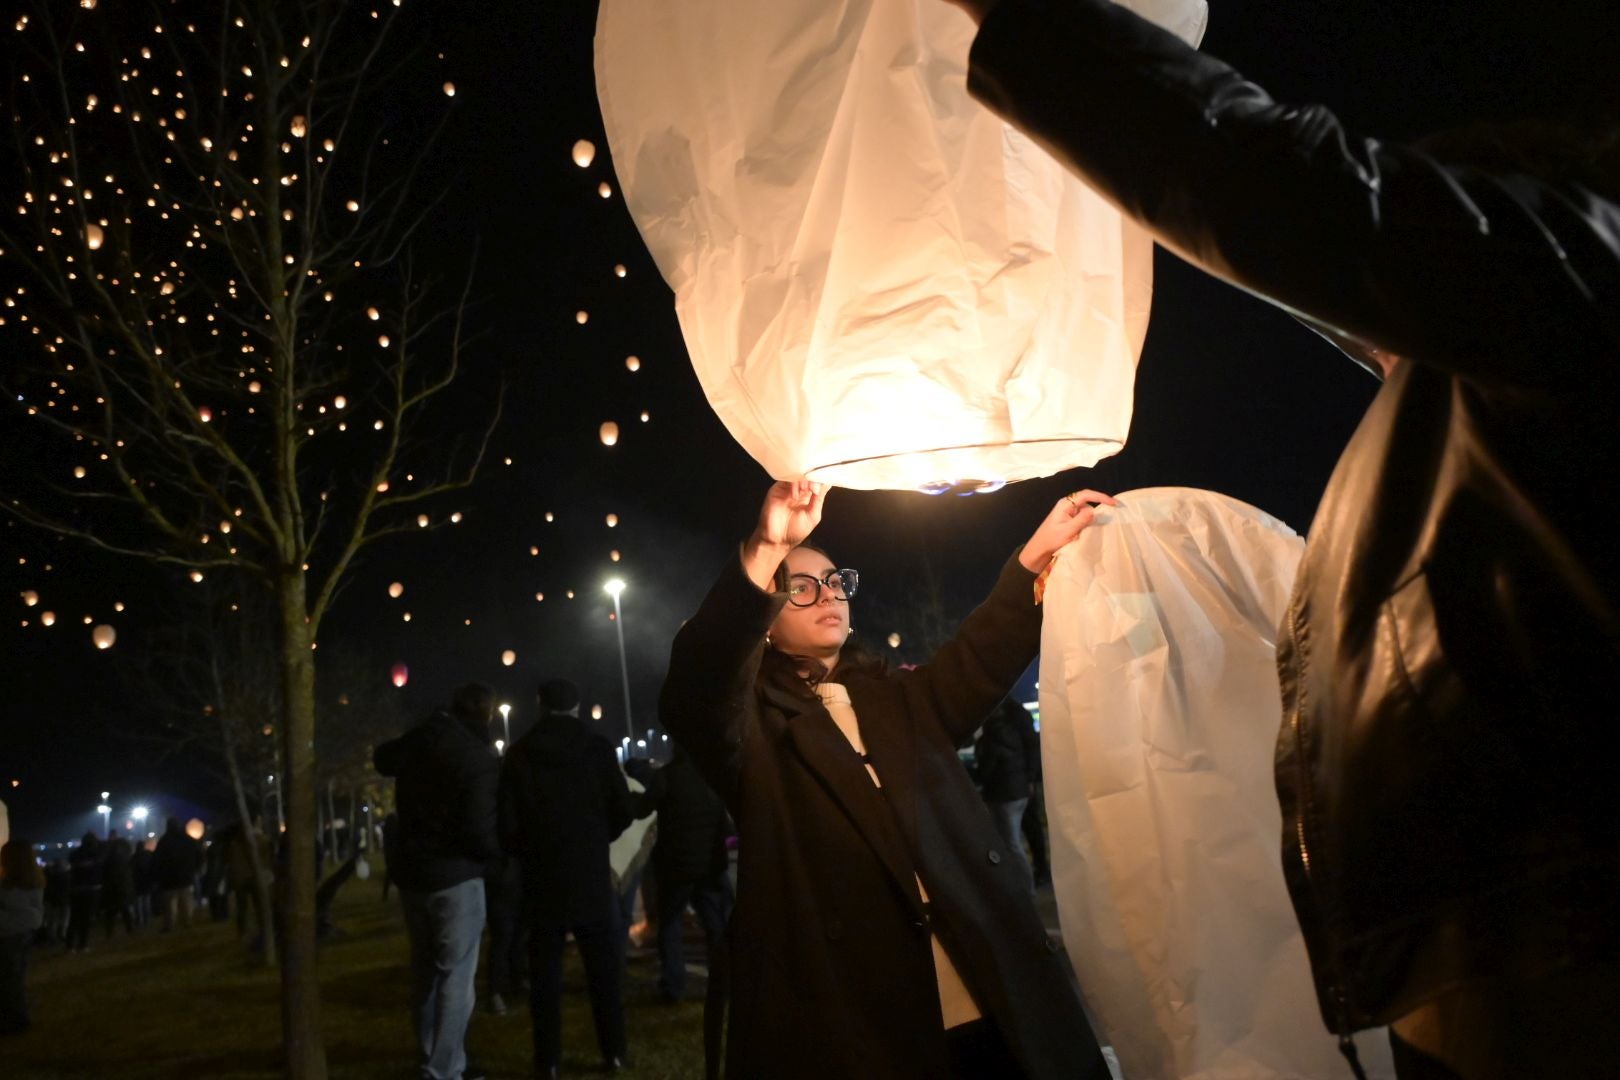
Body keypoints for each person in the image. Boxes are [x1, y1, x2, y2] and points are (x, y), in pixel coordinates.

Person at [948, 2, 1620, 1076]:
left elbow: (1274, 187)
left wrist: (1030, 23)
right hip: (1500, 944)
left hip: (1556, 955)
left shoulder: (1571, 275)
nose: (1378, 350)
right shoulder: (1493, 394)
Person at [660, 480, 1115, 1079]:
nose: (827, 595)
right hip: (863, 1015)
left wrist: (1034, 557)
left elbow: (976, 658)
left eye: (834, 582)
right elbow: (701, 683)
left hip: (985, 987)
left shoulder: (898, 700)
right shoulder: (752, 732)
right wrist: (767, 545)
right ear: (765, 620)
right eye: (800, 587)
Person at [499, 678, 643, 1077]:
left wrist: (530, 851)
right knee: (604, 973)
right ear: (577, 706)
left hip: (542, 879)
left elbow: (506, 825)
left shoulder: (520, 753)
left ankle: (547, 1059)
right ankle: (613, 1051)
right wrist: (598, 838)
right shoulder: (597, 749)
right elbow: (624, 810)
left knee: (545, 978)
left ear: (539, 705)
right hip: (591, 877)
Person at [374, 683, 502, 1080]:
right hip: (456, 876)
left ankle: (431, 1052)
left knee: (425, 972)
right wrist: (493, 856)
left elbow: (383, 758)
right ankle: (444, 1068)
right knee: (456, 976)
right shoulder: (477, 758)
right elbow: (480, 830)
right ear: (486, 715)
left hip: (414, 876)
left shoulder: (421, 741)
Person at [623, 744, 732, 1004]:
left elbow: (642, 810)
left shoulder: (667, 777)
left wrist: (628, 797)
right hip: (707, 866)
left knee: (670, 925)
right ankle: (724, 983)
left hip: (675, 867)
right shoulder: (711, 777)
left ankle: (674, 985)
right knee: (715, 927)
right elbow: (724, 826)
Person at [973, 698, 1042, 892]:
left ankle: (1025, 889)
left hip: (1003, 794)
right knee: (1018, 839)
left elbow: (986, 771)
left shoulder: (992, 737)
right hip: (1019, 791)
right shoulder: (1013, 731)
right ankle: (1028, 881)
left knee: (1011, 843)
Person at [0, 839, 45, 1036]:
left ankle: (16, 1020)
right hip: (25, 933)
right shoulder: (34, 880)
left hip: (8, 934)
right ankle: (18, 1016)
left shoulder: (8, 887)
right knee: (15, 977)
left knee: (9, 979)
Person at [481, 853, 526, 1017]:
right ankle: (495, 992)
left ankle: (516, 982)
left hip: (518, 874)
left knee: (518, 934)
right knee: (502, 936)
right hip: (502, 875)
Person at [152, 817, 203, 931]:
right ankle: (187, 922)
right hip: (185, 877)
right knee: (186, 902)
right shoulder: (188, 840)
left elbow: (157, 860)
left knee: (170, 905)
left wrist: (158, 876)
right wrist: (194, 869)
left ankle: (169, 925)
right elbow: (199, 855)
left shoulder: (164, 841)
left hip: (169, 879)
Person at [64, 833, 102, 952]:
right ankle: (82, 944)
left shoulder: (75, 855)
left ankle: (70, 946)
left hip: (76, 890)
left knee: (74, 919)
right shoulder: (96, 855)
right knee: (86, 919)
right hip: (91, 889)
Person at [99, 833, 137, 939]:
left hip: (112, 887)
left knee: (111, 912)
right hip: (122, 886)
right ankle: (130, 929)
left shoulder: (108, 855)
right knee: (124, 910)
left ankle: (110, 932)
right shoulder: (124, 856)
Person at [42, 859, 69, 944]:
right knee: (63, 919)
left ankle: (52, 937)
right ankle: (62, 934)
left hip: (53, 901)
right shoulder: (66, 877)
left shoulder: (49, 877)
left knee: (53, 920)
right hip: (63, 900)